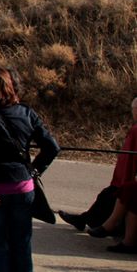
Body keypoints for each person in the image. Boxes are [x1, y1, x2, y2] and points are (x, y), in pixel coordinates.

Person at [0, 67, 60, 271]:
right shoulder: (26, 113)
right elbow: (52, 146)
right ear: (10, 87)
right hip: (23, 187)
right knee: (22, 245)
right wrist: (34, 171)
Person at [60, 97, 137, 232]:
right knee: (107, 196)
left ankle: (93, 222)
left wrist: (125, 178)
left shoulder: (135, 131)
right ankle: (84, 220)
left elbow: (129, 158)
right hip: (127, 178)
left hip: (128, 178)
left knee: (110, 197)